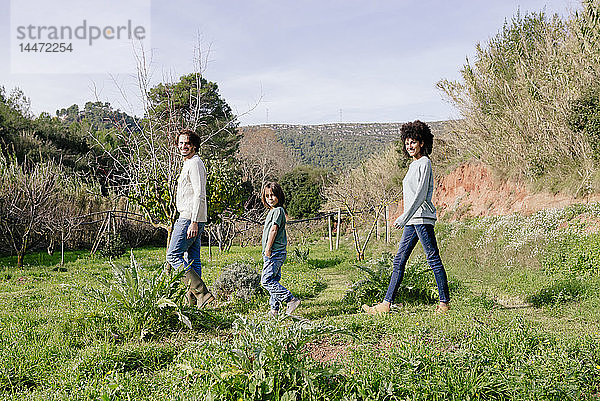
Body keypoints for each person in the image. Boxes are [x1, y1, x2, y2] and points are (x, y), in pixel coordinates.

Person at [362, 120, 450, 315]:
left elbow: (419, 195)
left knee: (433, 259)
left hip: (420, 218)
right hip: (413, 219)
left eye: (414, 142)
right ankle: (386, 304)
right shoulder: (413, 165)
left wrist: (404, 216)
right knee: (399, 260)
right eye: (407, 142)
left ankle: (444, 303)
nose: (409, 146)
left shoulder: (425, 163)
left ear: (422, 142)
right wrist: (407, 217)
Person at [166, 129, 214, 308]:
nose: (184, 146)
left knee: (173, 255)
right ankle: (194, 302)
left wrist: (193, 221)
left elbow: (199, 194)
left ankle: (202, 293)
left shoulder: (194, 163)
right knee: (193, 258)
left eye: (187, 143)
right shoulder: (190, 163)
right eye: (181, 143)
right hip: (194, 217)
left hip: (189, 217)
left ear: (194, 145)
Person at [260, 182, 301, 317]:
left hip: (274, 251)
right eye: (267, 196)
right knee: (274, 280)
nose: (270, 198)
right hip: (276, 252)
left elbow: (274, 230)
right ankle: (274, 310)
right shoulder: (273, 211)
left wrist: (268, 248)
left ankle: (291, 299)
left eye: (273, 195)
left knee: (266, 280)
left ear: (279, 196)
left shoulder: (278, 211)